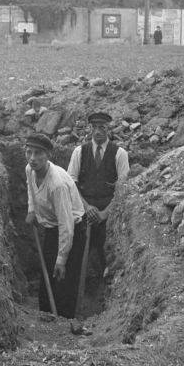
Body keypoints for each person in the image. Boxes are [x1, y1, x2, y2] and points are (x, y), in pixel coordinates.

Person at [24, 133, 86, 318]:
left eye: (38, 153)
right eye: (29, 152)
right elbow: (30, 187)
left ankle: (66, 322)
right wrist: (31, 209)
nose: (32, 158)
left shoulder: (57, 184)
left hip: (73, 231)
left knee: (63, 277)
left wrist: (62, 259)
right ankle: (46, 316)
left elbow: (66, 224)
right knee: (48, 276)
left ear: (48, 155)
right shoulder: (30, 169)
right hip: (52, 228)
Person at [66, 113, 129, 289]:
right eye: (94, 127)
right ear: (90, 129)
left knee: (106, 252)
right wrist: (87, 208)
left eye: (102, 127)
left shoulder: (120, 154)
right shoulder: (80, 152)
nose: (98, 131)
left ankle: (105, 289)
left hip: (108, 213)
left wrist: (104, 213)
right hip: (83, 210)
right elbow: (71, 185)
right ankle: (76, 286)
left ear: (109, 129)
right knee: (76, 249)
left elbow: (123, 191)